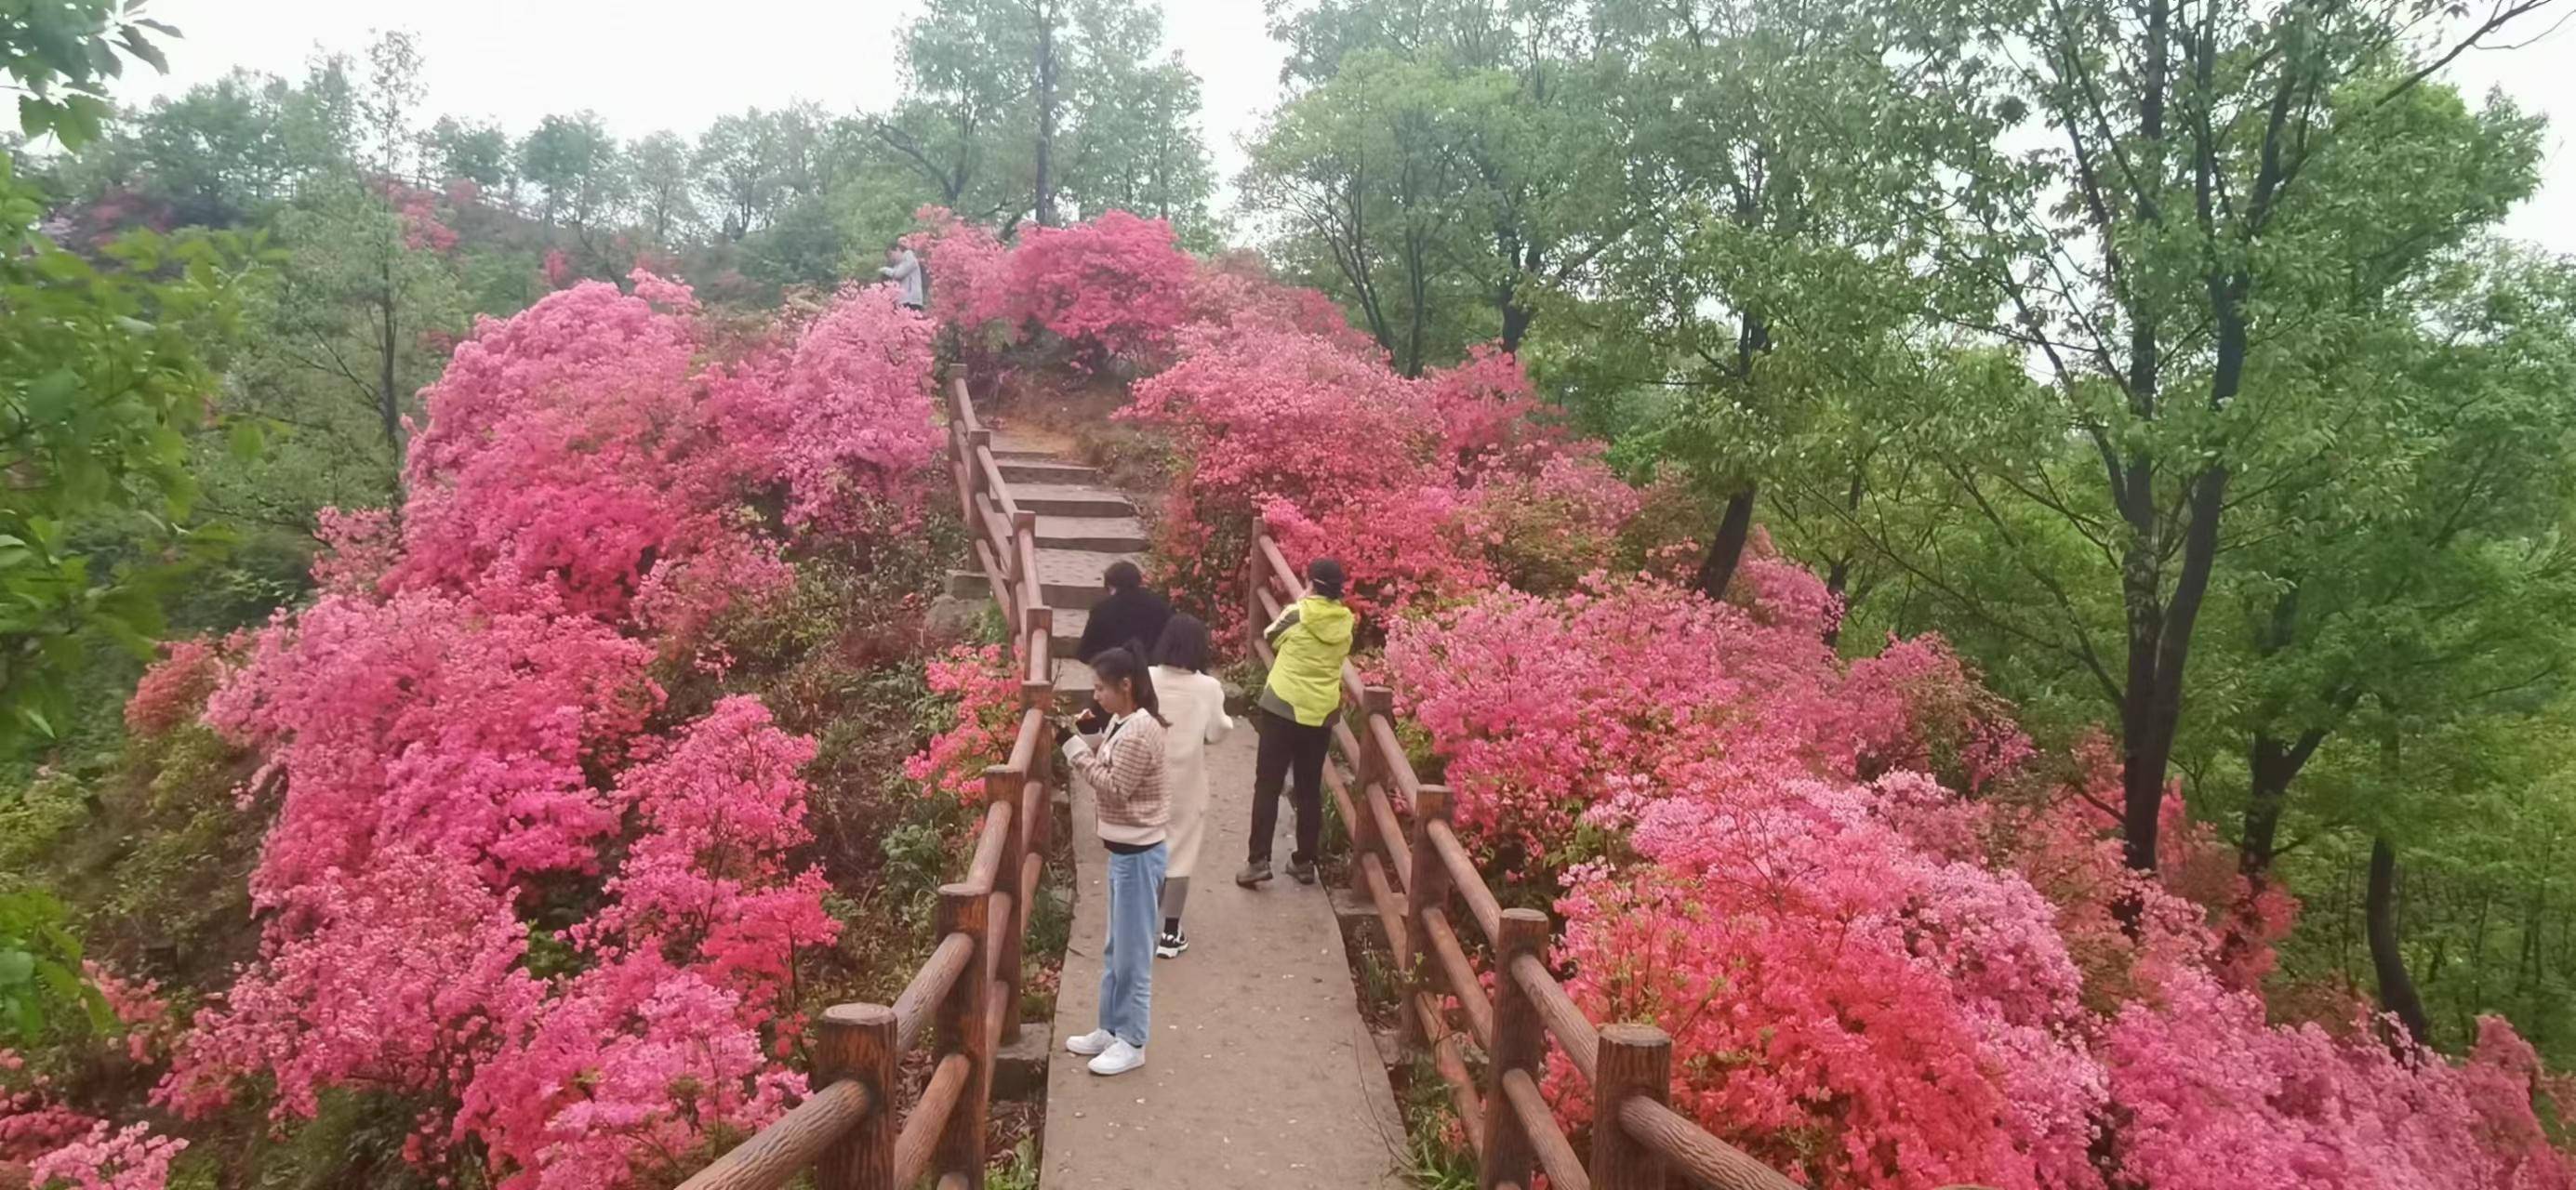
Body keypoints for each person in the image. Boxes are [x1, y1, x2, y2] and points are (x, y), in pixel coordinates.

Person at [1058, 648, 1168, 1077]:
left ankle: (1133, 1040)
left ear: (1126, 685)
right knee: (1114, 950)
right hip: (1125, 853)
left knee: (1133, 956)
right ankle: (1109, 1028)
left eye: (1101, 687)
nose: (1095, 694)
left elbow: (1115, 786)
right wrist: (1092, 736)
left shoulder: (1141, 731)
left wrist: (1073, 750)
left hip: (1140, 856)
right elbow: (1111, 756)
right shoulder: (1125, 722)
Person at [1238, 558, 1354, 888]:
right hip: (1320, 713)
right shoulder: (1346, 620)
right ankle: (1304, 862)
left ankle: (1258, 861)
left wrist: (1302, 602)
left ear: (1311, 583)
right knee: (1308, 788)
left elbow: (1271, 635)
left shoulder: (1298, 612)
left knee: (1268, 784)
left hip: (1283, 707)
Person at [1147, 615, 1231, 957]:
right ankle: (1170, 933)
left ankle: (1140, 924)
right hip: (1186, 780)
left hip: (1147, 774)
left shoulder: (1147, 678)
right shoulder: (1208, 687)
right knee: (1179, 854)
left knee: (1147, 846)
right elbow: (1218, 730)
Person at [1075, 561, 1172, 666]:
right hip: (1151, 671)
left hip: (1113, 672)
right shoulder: (1159, 605)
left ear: (1111, 585)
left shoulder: (1101, 609)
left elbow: (1085, 653)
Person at [879, 241, 923, 311]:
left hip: (911, 300)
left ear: (897, 250)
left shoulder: (909, 257)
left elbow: (898, 274)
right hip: (902, 301)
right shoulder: (897, 265)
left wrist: (885, 269)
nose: (891, 258)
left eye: (891, 254)